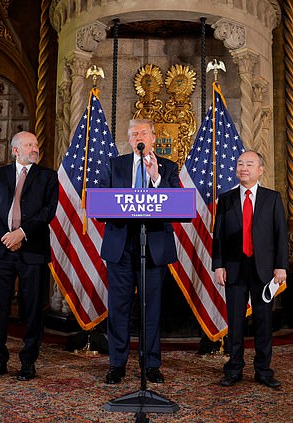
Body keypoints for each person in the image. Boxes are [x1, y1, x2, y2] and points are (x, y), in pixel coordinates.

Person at [100, 119, 180, 384]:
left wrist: (156, 177)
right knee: (119, 307)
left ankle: (151, 365)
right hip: (121, 245)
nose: (139, 137)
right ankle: (116, 365)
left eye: (143, 133)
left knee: (151, 308)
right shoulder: (115, 165)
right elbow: (100, 202)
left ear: (154, 138)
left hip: (154, 246)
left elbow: (177, 204)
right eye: (134, 134)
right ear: (129, 139)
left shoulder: (168, 167)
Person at [0, 131, 58, 381]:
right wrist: (6, 236)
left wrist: (21, 234)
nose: (35, 148)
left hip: (33, 249)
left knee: (33, 308)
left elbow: (48, 211)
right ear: (16, 150)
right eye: (29, 145)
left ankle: (28, 361)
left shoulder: (48, 176)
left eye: (36, 144)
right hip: (1, 249)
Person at [212, 151, 288, 388]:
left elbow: (280, 236)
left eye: (249, 164)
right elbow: (219, 237)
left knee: (264, 321)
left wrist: (281, 267)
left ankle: (263, 370)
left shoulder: (272, 198)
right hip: (234, 268)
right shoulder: (226, 199)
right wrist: (218, 265)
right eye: (240, 163)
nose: (243, 167)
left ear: (260, 170)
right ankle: (233, 368)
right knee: (235, 322)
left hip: (264, 270)